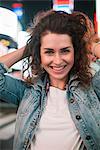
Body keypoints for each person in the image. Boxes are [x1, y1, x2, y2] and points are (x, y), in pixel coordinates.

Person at [0, 10, 100, 150]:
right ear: (38, 54)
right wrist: (29, 48)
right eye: (49, 52)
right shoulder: (27, 93)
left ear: (75, 52)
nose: (58, 61)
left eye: (65, 50)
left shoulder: (92, 90)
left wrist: (89, 46)